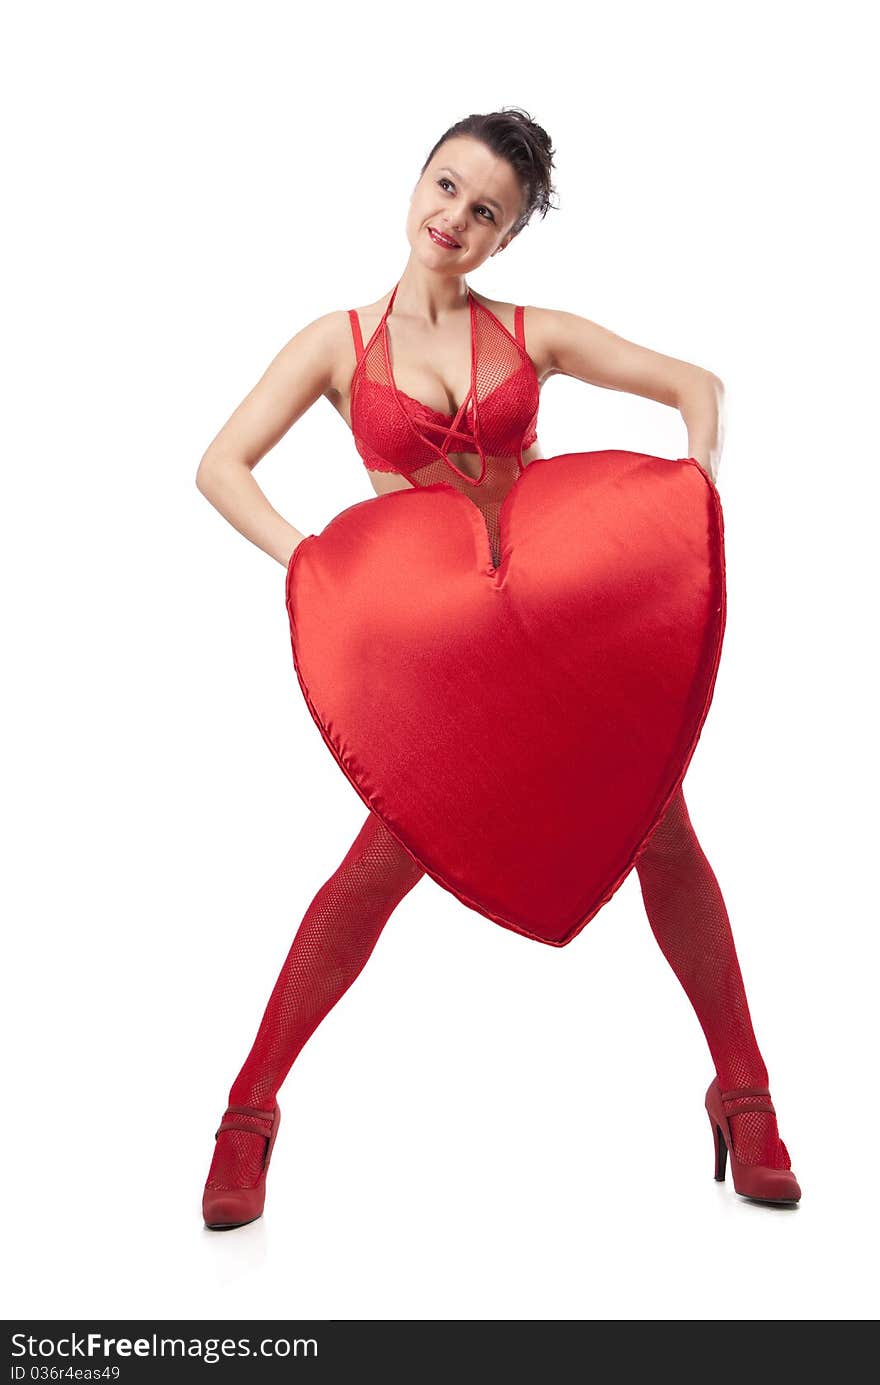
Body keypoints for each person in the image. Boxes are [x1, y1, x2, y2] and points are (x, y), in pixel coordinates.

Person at [195, 108, 800, 1229]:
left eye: (486, 212)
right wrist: (320, 565)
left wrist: (688, 493)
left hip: (565, 633)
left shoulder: (532, 331)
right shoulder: (337, 342)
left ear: (507, 238)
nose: (454, 219)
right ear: (414, 183)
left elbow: (696, 385)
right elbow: (221, 466)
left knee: (662, 833)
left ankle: (744, 1093)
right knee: (376, 870)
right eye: (444, 187)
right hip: (443, 659)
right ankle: (248, 1110)